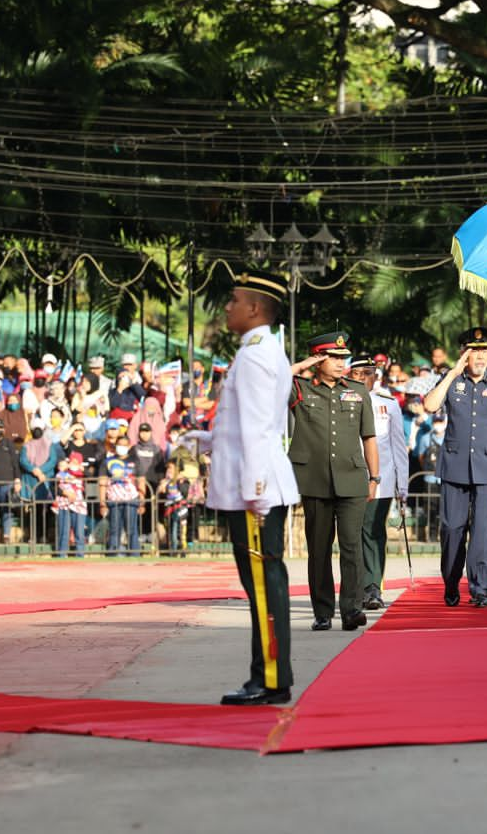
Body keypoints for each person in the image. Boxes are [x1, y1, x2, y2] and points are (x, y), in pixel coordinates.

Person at [195, 268, 300, 706]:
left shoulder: (257, 355)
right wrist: (206, 439)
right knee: (260, 584)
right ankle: (267, 674)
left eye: (234, 300)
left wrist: (256, 490)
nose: (227, 307)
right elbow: (246, 425)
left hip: (256, 488)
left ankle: (270, 678)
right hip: (251, 483)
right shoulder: (257, 350)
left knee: (263, 585)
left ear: (255, 308)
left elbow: (259, 429)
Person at [423, 326, 487, 608]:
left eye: (484, 351)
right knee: (452, 530)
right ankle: (451, 583)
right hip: (454, 467)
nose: (479, 357)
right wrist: (452, 373)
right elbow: (429, 405)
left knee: (484, 531)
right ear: (463, 353)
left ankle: (481, 588)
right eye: (473, 351)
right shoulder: (451, 380)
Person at [289, 332, 378, 631]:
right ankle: (323, 611)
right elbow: (266, 381)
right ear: (318, 358)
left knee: (352, 546)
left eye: (344, 358)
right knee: (319, 548)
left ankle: (352, 609)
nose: (342, 364)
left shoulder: (357, 390)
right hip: (314, 479)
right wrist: (303, 364)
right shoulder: (299, 388)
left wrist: (374, 476)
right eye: (334, 357)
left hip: (352, 478)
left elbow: (369, 437)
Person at [349, 356, 408, 611]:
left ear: (376, 376)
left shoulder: (388, 404)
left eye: (368, 373)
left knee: (373, 533)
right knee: (354, 535)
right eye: (358, 373)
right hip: (350, 478)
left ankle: (373, 587)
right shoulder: (342, 402)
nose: (363, 378)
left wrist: (402, 487)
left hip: (382, 480)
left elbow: (398, 447)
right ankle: (358, 586)